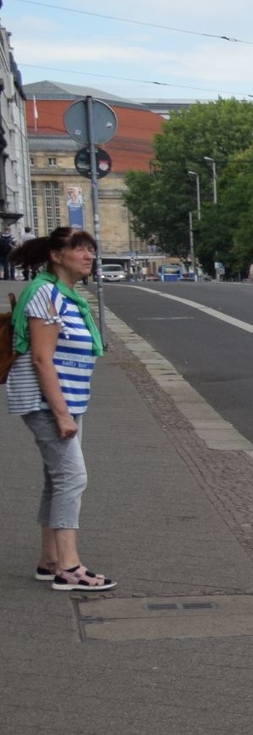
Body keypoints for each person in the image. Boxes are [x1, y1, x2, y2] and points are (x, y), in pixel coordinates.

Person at [6, 228, 111, 592]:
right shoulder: (45, 294)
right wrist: (61, 412)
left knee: (57, 478)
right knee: (72, 477)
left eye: (91, 251)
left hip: (64, 399)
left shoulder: (66, 295)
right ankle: (69, 567)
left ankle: (48, 560)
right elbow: (40, 358)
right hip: (48, 401)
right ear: (56, 255)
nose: (88, 256)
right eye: (79, 250)